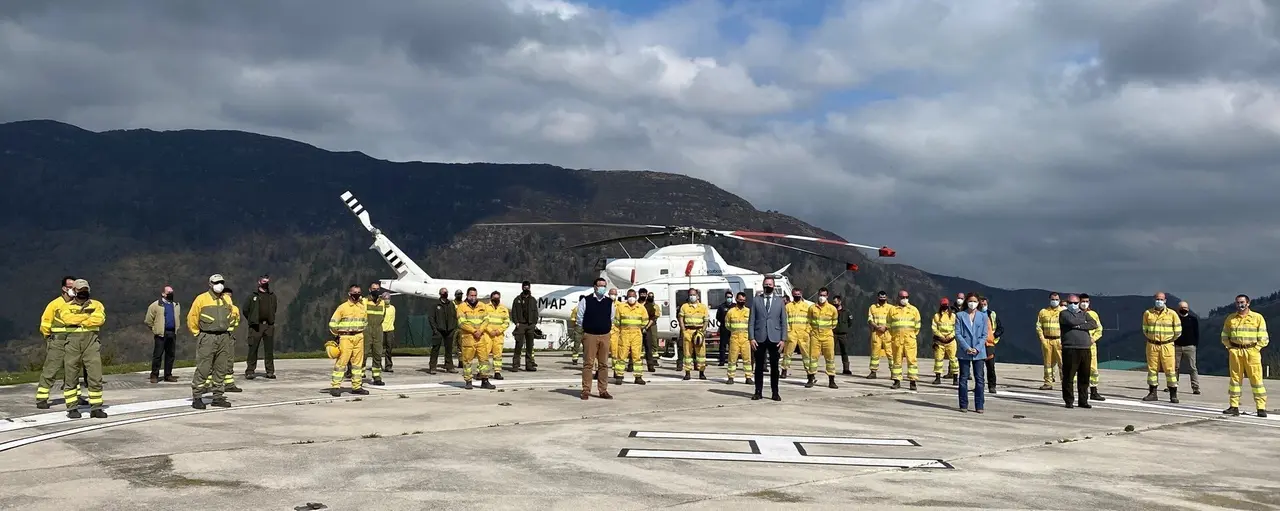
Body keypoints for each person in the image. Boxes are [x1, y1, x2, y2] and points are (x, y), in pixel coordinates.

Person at [54, 279, 108, 419]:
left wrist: (80, 319)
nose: (83, 293)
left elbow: (99, 319)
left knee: (95, 376)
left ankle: (96, 407)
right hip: (72, 344)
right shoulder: (66, 306)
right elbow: (68, 319)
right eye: (80, 290)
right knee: (71, 376)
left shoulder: (97, 304)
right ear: (75, 291)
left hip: (91, 343)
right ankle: (72, 408)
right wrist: (87, 318)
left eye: (85, 290)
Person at [36, 276, 89, 409]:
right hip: (58, 341)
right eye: (71, 288)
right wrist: (49, 337)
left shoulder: (79, 303)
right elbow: (45, 323)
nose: (74, 290)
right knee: (51, 369)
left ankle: (75, 396)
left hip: (75, 341)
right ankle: (42, 398)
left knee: (73, 369)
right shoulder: (55, 304)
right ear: (64, 288)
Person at [189, 274, 238, 409]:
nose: (219, 284)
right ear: (210, 284)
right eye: (216, 282)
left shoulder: (227, 299)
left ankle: (218, 396)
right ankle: (197, 396)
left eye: (221, 282)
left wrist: (229, 328)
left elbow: (233, 313)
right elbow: (192, 317)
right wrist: (197, 333)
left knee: (221, 368)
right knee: (203, 368)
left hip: (223, 337)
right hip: (207, 336)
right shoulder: (201, 299)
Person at [1221, 294, 1268, 417]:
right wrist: (1230, 348)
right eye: (1237, 302)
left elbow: (1264, 337)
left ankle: (1261, 407)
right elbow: (1224, 336)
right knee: (1235, 380)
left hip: (1252, 351)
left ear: (1248, 303)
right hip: (1235, 351)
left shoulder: (1257, 318)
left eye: (1242, 302)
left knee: (1256, 380)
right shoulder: (1230, 318)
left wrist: (1256, 349)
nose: (1240, 304)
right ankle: (1234, 406)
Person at [575, 278, 615, 400]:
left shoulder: (609, 302)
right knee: (588, 364)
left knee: (603, 364)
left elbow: (611, 318)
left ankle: (603, 390)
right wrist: (588, 329)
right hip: (590, 335)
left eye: (604, 286)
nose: (602, 288)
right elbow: (580, 317)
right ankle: (586, 390)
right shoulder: (585, 300)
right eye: (600, 285)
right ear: (595, 287)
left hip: (605, 335)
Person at [328, 285, 371, 397]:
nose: (357, 294)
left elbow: (365, 323)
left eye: (359, 292)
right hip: (345, 337)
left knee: (358, 364)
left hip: (359, 336)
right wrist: (338, 335)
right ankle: (335, 386)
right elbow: (332, 324)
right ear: (349, 294)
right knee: (342, 362)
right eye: (354, 292)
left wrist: (359, 332)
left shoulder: (362, 307)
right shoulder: (342, 307)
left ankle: (357, 387)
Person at [749, 276, 787, 401]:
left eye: (770, 284)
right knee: (759, 367)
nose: (768, 286)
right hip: (759, 338)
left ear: (774, 286)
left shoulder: (779, 301)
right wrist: (751, 337)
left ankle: (775, 392)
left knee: (775, 367)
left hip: (775, 338)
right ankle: (758, 391)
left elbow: (783, 322)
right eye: (766, 284)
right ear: (763, 285)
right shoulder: (756, 300)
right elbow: (751, 320)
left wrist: (783, 339)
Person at [1141, 292, 1182, 403]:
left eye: (1161, 299)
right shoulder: (1148, 313)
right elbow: (1145, 329)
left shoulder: (1172, 314)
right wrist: (1152, 338)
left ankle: (1173, 394)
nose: (1159, 301)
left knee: (1170, 370)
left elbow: (1178, 331)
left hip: (1167, 345)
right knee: (1152, 369)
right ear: (1154, 299)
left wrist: (1169, 340)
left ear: (1165, 301)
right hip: (1152, 345)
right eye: (1157, 299)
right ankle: (1152, 393)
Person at [1059, 294, 1099, 408]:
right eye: (1071, 303)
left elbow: (1093, 324)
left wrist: (1080, 326)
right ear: (1067, 303)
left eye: (1076, 303)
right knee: (1069, 376)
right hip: (1070, 348)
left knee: (1084, 376)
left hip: (1085, 348)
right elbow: (1071, 321)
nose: (1073, 305)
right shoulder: (1064, 313)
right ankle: (1069, 400)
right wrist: (1083, 323)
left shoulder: (1085, 313)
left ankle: (1083, 401)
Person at [954, 292, 988, 413]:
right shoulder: (960, 315)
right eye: (970, 301)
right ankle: (963, 404)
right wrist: (966, 347)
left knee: (979, 379)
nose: (972, 303)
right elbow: (957, 333)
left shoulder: (983, 316)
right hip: (964, 352)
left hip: (979, 352)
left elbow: (985, 334)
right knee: (963, 378)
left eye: (974, 301)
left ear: (978, 303)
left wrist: (977, 348)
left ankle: (979, 405)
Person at [458, 287, 495, 390]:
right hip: (468, 337)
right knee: (467, 361)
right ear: (467, 295)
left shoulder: (482, 306)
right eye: (471, 295)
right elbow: (462, 322)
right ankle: (468, 381)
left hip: (480, 337)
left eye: (475, 295)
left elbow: (486, 320)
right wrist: (474, 331)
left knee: (484, 360)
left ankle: (485, 381)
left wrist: (480, 330)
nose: (473, 297)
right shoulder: (462, 307)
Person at [142, 286, 181, 384]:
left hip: (172, 333)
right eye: (169, 292)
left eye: (172, 292)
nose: (171, 293)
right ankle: (154, 375)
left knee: (170, 355)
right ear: (163, 294)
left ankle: (168, 375)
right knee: (157, 355)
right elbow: (148, 320)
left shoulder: (175, 305)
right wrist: (155, 329)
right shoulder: (155, 305)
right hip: (160, 334)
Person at [243, 275, 278, 379]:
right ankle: (250, 371)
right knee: (253, 349)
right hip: (256, 326)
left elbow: (274, 308)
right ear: (259, 282)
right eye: (263, 281)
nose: (265, 283)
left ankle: (270, 371)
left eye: (267, 281)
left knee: (269, 350)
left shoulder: (272, 296)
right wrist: (252, 320)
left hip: (268, 325)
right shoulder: (252, 296)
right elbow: (245, 310)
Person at [887, 289, 922, 390]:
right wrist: (894, 335)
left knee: (912, 361)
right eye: (902, 297)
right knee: (897, 361)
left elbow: (917, 325)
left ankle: (913, 382)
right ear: (898, 298)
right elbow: (889, 325)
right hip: (897, 339)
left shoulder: (914, 310)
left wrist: (911, 335)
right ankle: (896, 381)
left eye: (906, 297)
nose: (904, 299)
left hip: (910, 339)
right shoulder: (892, 310)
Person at [805, 287, 839, 389]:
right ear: (817, 295)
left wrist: (827, 330)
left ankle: (831, 380)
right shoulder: (812, 308)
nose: (822, 297)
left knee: (830, 359)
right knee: (813, 358)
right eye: (820, 295)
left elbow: (834, 322)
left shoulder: (832, 309)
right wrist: (810, 331)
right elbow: (808, 321)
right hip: (815, 336)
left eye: (824, 295)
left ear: (827, 296)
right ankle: (810, 379)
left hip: (828, 336)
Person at [612, 289, 648, 385]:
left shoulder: (641, 308)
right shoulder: (620, 307)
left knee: (637, 356)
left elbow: (645, 321)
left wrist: (638, 328)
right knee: (621, 355)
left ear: (636, 297)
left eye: (633, 296)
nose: (631, 298)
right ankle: (619, 376)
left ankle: (638, 377)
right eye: (629, 296)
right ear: (626, 297)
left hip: (636, 334)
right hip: (624, 334)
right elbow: (616, 321)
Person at [678, 288, 709, 380]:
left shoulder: (703, 307)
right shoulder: (684, 306)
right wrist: (683, 330)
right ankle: (687, 373)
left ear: (697, 296)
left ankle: (701, 372)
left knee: (701, 354)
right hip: (688, 331)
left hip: (699, 331)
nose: (692, 297)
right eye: (690, 295)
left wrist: (702, 331)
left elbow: (706, 320)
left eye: (694, 295)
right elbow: (681, 319)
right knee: (687, 353)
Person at [1036, 292, 1064, 390]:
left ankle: (1065, 382)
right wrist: (1042, 338)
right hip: (1047, 340)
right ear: (1049, 300)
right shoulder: (1043, 312)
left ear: (1059, 300)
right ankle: (1048, 382)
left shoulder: (1063, 312)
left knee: (1062, 362)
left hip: (1058, 340)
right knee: (1048, 363)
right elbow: (1038, 326)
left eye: (1056, 299)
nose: (1054, 301)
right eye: (1053, 299)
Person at [1080, 294, 1106, 401]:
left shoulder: (1093, 314)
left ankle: (1094, 391)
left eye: (1087, 301)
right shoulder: (1075, 314)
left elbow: (1099, 329)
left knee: (1093, 369)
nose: (1085, 303)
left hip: (1091, 345)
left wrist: (1093, 339)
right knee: (1078, 369)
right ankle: (1080, 391)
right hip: (1078, 345)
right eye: (1083, 301)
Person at [361, 281, 387, 386]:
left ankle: (377, 377)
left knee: (378, 354)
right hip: (366, 330)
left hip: (378, 330)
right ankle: (359, 376)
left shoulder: (382, 302)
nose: (376, 291)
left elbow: (383, 316)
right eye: (373, 289)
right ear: (369, 290)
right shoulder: (364, 301)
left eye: (377, 289)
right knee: (363, 354)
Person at [782, 288, 811, 379]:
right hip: (792, 333)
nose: (797, 296)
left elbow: (810, 320)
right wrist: (788, 331)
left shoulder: (807, 306)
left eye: (798, 294)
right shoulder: (788, 306)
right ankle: (784, 370)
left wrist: (808, 330)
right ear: (792, 294)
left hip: (803, 334)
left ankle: (809, 372)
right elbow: (785, 320)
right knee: (787, 353)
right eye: (795, 294)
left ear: (801, 294)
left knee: (806, 355)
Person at [724, 292, 753, 385]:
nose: (742, 302)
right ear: (736, 300)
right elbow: (727, 324)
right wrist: (734, 330)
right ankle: (731, 377)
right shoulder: (731, 311)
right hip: (735, 338)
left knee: (747, 359)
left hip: (745, 338)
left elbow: (751, 324)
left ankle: (748, 377)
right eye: (740, 300)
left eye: (744, 300)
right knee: (732, 358)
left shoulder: (748, 311)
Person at [428, 287, 458, 374]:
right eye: (443, 292)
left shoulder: (451, 304)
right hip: (439, 330)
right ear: (440, 294)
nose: (445, 294)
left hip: (449, 330)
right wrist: (435, 329)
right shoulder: (435, 305)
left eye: (446, 292)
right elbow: (431, 318)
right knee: (435, 349)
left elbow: (454, 316)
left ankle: (449, 366)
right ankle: (432, 367)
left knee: (449, 349)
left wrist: (453, 328)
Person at [511, 281, 539, 372]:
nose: (526, 289)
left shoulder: (533, 300)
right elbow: (514, 312)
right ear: (522, 288)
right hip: (521, 324)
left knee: (530, 346)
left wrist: (534, 323)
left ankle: (529, 364)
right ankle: (515, 365)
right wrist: (516, 322)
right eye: (524, 287)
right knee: (518, 344)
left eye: (527, 287)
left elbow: (535, 312)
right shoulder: (517, 299)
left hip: (530, 324)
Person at [1175, 301, 1201, 395]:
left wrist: (1194, 345)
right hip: (1176, 346)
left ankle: (1195, 387)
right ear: (1178, 309)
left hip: (1190, 347)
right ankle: (1172, 385)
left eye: (1185, 308)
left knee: (1192, 368)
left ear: (1188, 309)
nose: (1184, 309)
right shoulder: (1175, 319)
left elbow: (1196, 333)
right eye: (1182, 307)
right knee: (1175, 367)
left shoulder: (1193, 319)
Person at [932, 298, 958, 385]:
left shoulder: (953, 316)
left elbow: (956, 328)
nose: (945, 307)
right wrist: (941, 336)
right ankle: (937, 378)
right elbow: (934, 328)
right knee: (938, 360)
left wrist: (949, 336)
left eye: (946, 305)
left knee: (953, 360)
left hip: (951, 341)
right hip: (940, 341)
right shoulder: (937, 316)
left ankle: (955, 378)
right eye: (943, 305)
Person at [866, 291, 892, 379]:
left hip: (887, 333)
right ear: (878, 298)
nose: (882, 300)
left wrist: (886, 327)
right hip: (876, 333)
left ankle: (894, 372)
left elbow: (893, 320)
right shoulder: (872, 307)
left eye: (884, 299)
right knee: (874, 353)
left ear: (886, 298)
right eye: (881, 299)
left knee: (890, 353)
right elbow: (870, 319)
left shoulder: (891, 308)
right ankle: (873, 372)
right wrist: (877, 327)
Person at [486, 291, 510, 380]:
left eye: (498, 298)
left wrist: (499, 331)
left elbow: (506, 322)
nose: (496, 299)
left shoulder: (503, 309)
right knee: (484, 354)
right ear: (491, 298)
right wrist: (490, 330)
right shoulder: (485, 307)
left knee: (498, 355)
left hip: (498, 335)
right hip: (487, 335)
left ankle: (497, 372)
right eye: (494, 298)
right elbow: (483, 320)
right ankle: (482, 372)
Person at [981, 297, 1003, 394]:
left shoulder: (992, 315)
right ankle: (979, 386)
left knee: (990, 367)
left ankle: (992, 386)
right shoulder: (974, 314)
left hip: (990, 344)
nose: (983, 306)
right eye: (981, 305)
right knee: (979, 368)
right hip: (979, 345)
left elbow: (1000, 328)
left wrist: (994, 336)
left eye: (984, 304)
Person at [833, 295, 854, 375]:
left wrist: (844, 328)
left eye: (836, 302)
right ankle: (831, 368)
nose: (835, 304)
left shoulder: (846, 311)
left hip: (843, 334)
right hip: (833, 333)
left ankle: (846, 369)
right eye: (834, 302)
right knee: (831, 351)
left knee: (844, 351)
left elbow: (850, 322)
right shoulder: (832, 310)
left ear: (840, 302)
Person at [642, 289, 658, 372]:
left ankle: (651, 365)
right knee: (635, 348)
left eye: (645, 294)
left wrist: (647, 327)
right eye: (642, 294)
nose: (643, 295)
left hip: (648, 328)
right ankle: (631, 365)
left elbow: (653, 317)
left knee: (649, 347)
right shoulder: (636, 304)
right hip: (636, 329)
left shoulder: (650, 305)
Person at [567, 294, 584, 366]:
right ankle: (584, 359)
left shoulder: (576, 308)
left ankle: (575, 359)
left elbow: (573, 320)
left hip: (578, 327)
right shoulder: (586, 308)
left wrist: (574, 328)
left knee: (576, 344)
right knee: (586, 345)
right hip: (584, 327)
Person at [381, 291, 396, 372]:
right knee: (379, 349)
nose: (387, 300)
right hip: (381, 330)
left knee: (389, 349)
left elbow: (393, 318)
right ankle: (377, 365)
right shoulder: (380, 308)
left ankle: (388, 366)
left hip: (390, 330)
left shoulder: (392, 308)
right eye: (385, 299)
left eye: (388, 299)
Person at [716, 291, 732, 366]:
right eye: (728, 297)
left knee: (732, 345)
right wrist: (724, 320)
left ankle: (732, 360)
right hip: (724, 328)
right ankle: (722, 361)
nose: (729, 299)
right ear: (725, 298)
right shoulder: (721, 306)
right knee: (722, 345)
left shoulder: (735, 306)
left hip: (732, 328)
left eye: (730, 297)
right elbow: (718, 317)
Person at [453, 289, 465, 368]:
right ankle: (448, 362)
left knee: (461, 345)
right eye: (458, 294)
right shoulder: (452, 304)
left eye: (461, 294)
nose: (459, 296)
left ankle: (461, 361)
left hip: (462, 327)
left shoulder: (464, 304)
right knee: (451, 345)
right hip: (453, 327)